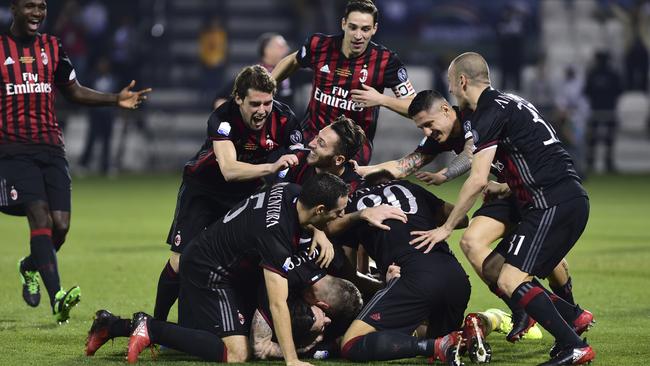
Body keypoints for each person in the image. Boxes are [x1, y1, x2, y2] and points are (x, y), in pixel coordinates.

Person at [410, 52, 595, 365]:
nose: (452, 92)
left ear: (461, 81)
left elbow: (477, 178)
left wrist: (445, 227)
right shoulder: (510, 101)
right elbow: (531, 155)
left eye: (452, 85)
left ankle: (573, 346)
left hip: (552, 203)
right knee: (496, 267)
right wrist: (506, 186)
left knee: (510, 280)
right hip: (555, 198)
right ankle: (572, 316)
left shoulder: (487, 112)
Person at [86, 173, 349, 365]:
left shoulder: (291, 190)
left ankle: (112, 324)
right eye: (339, 212)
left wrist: (318, 229)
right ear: (320, 208)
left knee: (203, 336)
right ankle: (149, 327)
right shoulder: (275, 233)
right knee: (236, 353)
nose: (341, 216)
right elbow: (277, 302)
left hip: (216, 260)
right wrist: (291, 360)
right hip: (210, 272)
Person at [0, 0, 150, 323]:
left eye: (42, 7)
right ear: (13, 8)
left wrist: (115, 99)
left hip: (51, 148)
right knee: (40, 218)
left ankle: (30, 266)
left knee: (61, 226)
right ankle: (57, 297)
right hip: (12, 151)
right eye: (30, 6)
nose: (38, 13)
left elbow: (73, 90)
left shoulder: (52, 47)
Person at [153, 65, 303, 322]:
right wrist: (271, 167)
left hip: (244, 193)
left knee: (242, 260)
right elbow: (229, 170)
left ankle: (226, 322)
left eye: (267, 103)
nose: (262, 111)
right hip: (203, 190)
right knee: (181, 262)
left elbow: (301, 162)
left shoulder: (285, 119)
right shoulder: (222, 119)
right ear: (238, 99)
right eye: (255, 104)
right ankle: (155, 324)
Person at [334, 172, 471, 365]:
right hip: (456, 278)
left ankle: (431, 347)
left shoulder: (353, 206)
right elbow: (462, 219)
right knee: (439, 339)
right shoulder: (411, 188)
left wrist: (380, 285)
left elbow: (349, 273)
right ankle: (482, 324)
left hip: (414, 279)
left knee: (351, 343)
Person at [271, 0, 416, 165]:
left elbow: (414, 106)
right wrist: (269, 84)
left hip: (353, 150)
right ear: (343, 24)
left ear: (374, 29)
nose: (358, 35)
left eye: (365, 29)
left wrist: (382, 100)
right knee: (285, 185)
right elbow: (293, 60)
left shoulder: (386, 61)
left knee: (331, 189)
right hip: (310, 139)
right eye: (353, 27)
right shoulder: (320, 45)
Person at [215, 33, 292, 109]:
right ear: (267, 50)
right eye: (281, 47)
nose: (287, 49)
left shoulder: (292, 71)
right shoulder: (252, 75)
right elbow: (220, 100)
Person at [584, 51, 623, 173]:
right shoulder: (612, 74)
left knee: (598, 139)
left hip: (598, 109)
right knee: (605, 139)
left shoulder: (593, 73)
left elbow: (586, 91)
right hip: (606, 109)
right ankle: (606, 163)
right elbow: (619, 91)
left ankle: (595, 162)